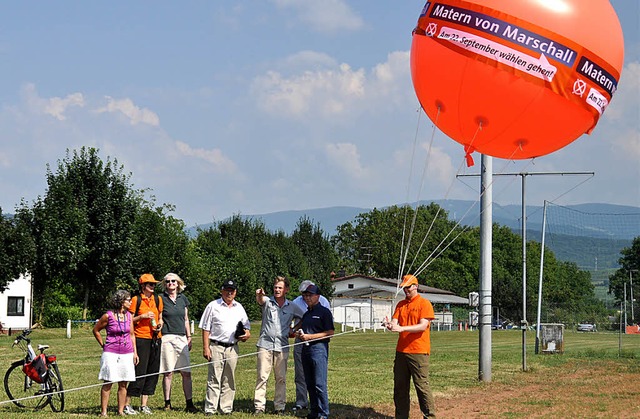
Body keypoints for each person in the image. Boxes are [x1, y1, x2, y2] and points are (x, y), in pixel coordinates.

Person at [383, 274, 436, 418]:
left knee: (422, 387)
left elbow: (423, 326)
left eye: (408, 287)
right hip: (401, 352)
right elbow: (395, 323)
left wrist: (402, 328)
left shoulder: (424, 304)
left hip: (419, 351)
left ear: (415, 286)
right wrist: (390, 325)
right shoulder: (401, 304)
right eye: (404, 288)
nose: (406, 290)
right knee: (400, 388)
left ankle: (429, 416)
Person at [253, 276, 305, 415]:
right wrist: (259, 294)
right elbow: (260, 300)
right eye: (275, 287)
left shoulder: (292, 306)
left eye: (280, 288)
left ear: (286, 290)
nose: (277, 290)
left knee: (281, 378)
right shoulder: (267, 302)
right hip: (265, 344)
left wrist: (293, 329)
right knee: (262, 377)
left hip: (282, 346)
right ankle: (259, 407)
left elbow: (303, 317)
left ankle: (279, 407)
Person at [199, 279, 251, 416]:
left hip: (233, 348)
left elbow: (247, 328)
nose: (229, 293)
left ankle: (226, 408)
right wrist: (206, 347)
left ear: (235, 292)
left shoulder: (239, 307)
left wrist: (246, 335)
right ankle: (210, 408)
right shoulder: (213, 306)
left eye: (232, 290)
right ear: (222, 291)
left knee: (229, 378)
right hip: (216, 346)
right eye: (227, 290)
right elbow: (205, 328)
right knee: (214, 378)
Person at [93, 290, 139, 417]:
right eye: (128, 300)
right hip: (111, 352)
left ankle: (120, 411)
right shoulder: (108, 316)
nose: (130, 302)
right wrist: (103, 345)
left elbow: (132, 335)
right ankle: (104, 412)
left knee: (123, 383)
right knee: (108, 381)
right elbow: (96, 330)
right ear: (121, 302)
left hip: (127, 352)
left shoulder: (129, 316)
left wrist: (135, 353)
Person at [159, 273, 198, 413]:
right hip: (166, 337)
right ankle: (167, 403)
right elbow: (159, 317)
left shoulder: (183, 299)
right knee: (168, 372)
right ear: (165, 284)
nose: (171, 283)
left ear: (178, 283)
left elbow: (186, 319)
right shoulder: (161, 299)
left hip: (181, 338)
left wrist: (189, 336)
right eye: (168, 281)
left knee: (186, 372)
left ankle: (189, 403)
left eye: (173, 281)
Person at [125, 273, 164, 415]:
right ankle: (127, 403)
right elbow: (128, 320)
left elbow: (160, 317)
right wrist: (141, 317)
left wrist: (160, 324)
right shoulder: (136, 300)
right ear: (142, 286)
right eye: (150, 284)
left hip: (155, 338)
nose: (153, 287)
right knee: (139, 371)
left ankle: (144, 405)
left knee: (152, 371)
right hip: (141, 338)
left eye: (154, 284)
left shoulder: (158, 299)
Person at [291, 280, 330, 413]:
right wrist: (295, 333)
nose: (307, 298)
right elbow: (299, 325)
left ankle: (323, 412)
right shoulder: (307, 313)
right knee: (309, 383)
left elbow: (330, 332)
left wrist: (310, 337)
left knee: (319, 383)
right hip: (305, 349)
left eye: (310, 295)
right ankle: (313, 411)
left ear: (317, 296)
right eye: (305, 296)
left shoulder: (324, 311)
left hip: (318, 349)